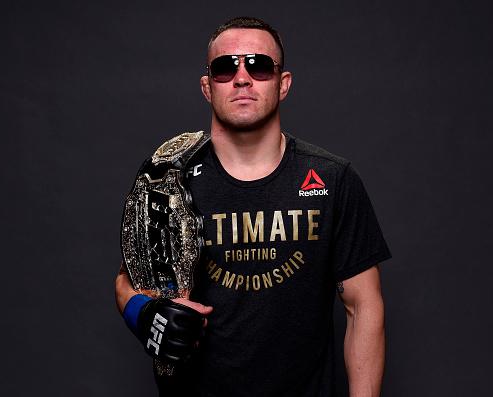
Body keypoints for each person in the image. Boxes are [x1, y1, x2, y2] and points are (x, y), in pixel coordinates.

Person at [115, 16, 391, 397]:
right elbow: (129, 282)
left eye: (259, 65)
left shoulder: (332, 179)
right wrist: (142, 313)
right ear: (207, 87)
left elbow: (363, 309)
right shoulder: (167, 180)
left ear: (283, 84)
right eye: (225, 68)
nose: (242, 78)